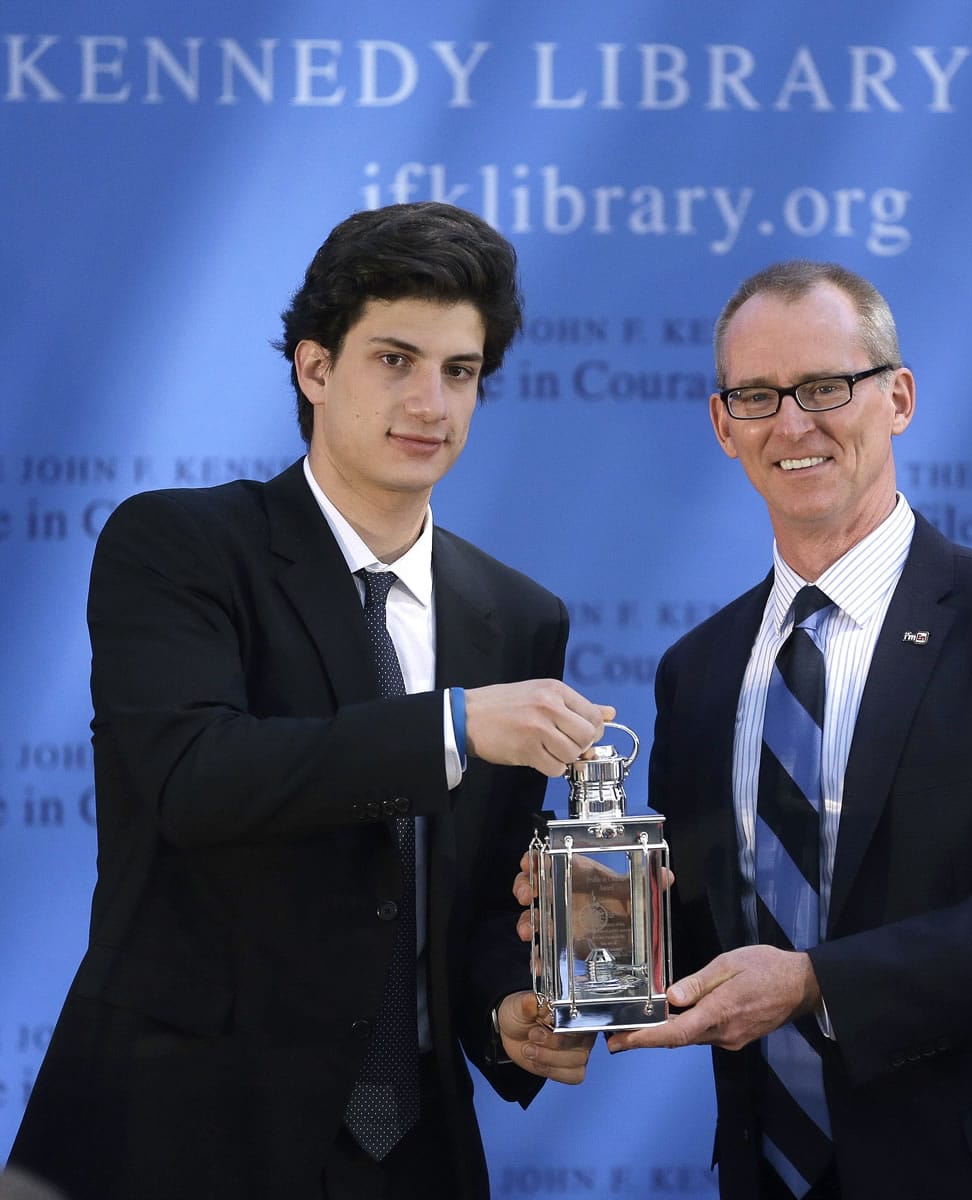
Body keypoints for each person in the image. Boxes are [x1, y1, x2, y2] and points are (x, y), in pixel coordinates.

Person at [9, 201, 612, 1200]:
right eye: (394, 359)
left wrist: (506, 1009)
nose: (431, 401)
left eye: (460, 372)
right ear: (315, 368)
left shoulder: (517, 617)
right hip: (175, 1136)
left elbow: (460, 901)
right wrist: (452, 729)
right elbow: (199, 780)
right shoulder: (181, 547)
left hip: (415, 1153)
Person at [599, 261, 972, 1198]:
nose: (792, 423)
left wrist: (816, 982)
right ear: (721, 422)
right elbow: (708, 939)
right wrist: (599, 924)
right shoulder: (696, 672)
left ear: (896, 397)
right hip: (775, 1175)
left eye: (825, 387)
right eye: (757, 395)